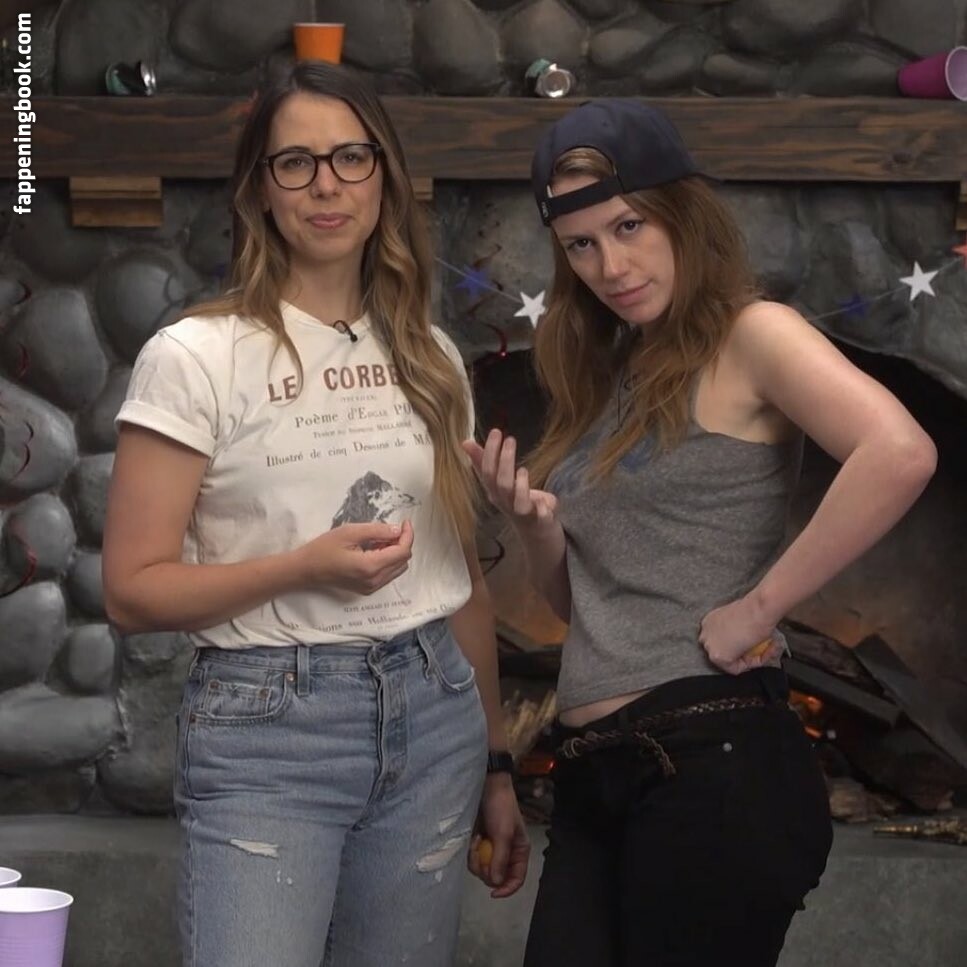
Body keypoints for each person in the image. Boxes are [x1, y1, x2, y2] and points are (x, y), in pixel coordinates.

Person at [463, 100, 937, 967]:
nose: (610, 265)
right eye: (580, 244)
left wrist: (758, 608)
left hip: (711, 760)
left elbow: (900, 452)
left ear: (681, 212)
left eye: (629, 226)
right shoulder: (612, 368)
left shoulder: (752, 332)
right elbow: (585, 607)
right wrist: (534, 528)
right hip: (596, 770)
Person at [102, 61, 528, 967]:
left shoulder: (432, 358)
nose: (325, 184)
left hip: (435, 718)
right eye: (294, 162)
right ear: (260, 189)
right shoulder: (195, 356)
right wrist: (301, 567)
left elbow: (460, 583)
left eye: (349, 157)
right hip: (270, 730)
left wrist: (497, 762)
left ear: (384, 178)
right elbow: (132, 591)